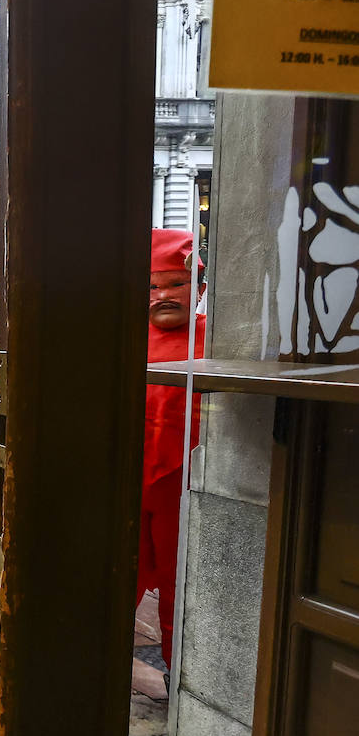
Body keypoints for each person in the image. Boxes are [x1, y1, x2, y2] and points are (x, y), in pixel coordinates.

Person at [141, 229, 205, 668]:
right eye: (152, 286)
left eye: (174, 284)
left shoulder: (218, 340)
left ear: (198, 287)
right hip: (127, 477)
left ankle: (177, 674)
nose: (162, 295)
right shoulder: (120, 337)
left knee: (181, 583)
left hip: (185, 485)